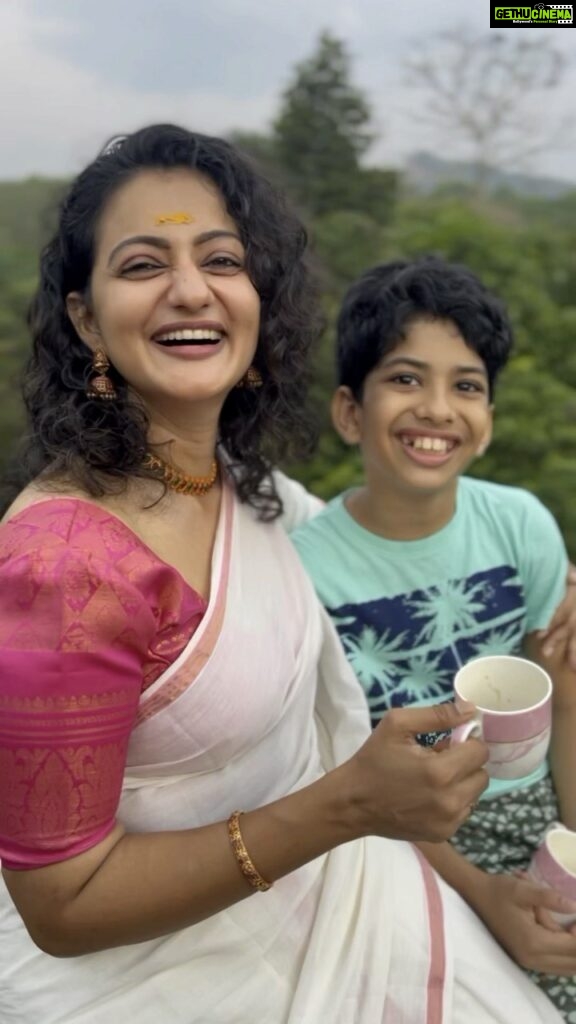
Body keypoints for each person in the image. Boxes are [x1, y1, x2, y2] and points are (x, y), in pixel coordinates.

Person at [0, 127, 567, 1024]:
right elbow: (62, 907)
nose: (191, 288)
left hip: (347, 899)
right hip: (170, 982)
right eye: (144, 263)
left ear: (258, 300)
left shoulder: (228, 479)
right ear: (83, 317)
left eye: (221, 257)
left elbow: (369, 523)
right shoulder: (60, 570)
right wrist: (345, 806)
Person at [291, 256, 576, 1018]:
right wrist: (484, 896)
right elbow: (340, 774)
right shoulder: (304, 578)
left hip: (537, 814)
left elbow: (568, 701)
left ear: (487, 420)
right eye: (407, 379)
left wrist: (571, 849)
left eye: (468, 385)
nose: (439, 408)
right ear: (350, 412)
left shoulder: (520, 525)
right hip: (400, 842)